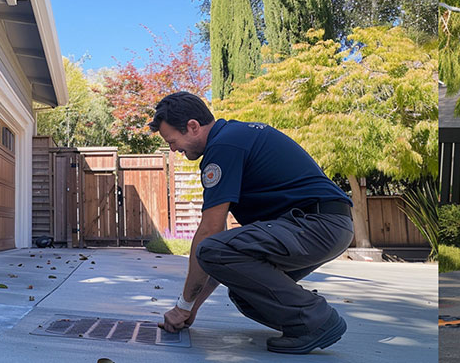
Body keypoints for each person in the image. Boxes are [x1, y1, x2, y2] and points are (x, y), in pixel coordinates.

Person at [151, 91, 354, 354]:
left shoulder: (223, 147)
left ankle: (316, 319)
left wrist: (183, 305)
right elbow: (222, 256)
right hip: (325, 225)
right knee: (243, 292)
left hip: (317, 224)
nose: (174, 149)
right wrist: (191, 309)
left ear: (192, 126)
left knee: (209, 246)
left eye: (173, 141)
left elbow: (211, 233)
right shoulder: (233, 137)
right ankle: (304, 325)